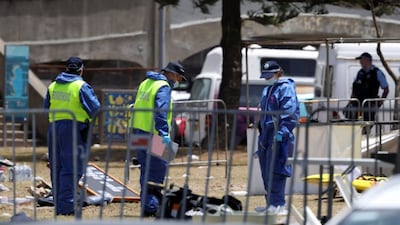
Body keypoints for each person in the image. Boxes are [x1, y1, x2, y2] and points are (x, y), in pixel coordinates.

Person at [43, 56, 101, 215]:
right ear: (81, 70)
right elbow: (95, 108)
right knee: (72, 166)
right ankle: (66, 206)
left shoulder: (53, 85)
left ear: (66, 68)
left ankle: (60, 202)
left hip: (54, 127)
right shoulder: (81, 86)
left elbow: (45, 106)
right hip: (74, 128)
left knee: (57, 166)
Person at [128, 62, 186, 217]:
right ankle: (151, 207)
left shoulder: (146, 83)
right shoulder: (163, 87)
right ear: (172, 74)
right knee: (157, 171)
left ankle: (147, 204)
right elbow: (161, 111)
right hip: (155, 135)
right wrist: (164, 133)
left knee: (145, 170)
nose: (178, 81)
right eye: (179, 77)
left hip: (139, 132)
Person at [257, 61, 299, 214]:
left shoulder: (285, 88)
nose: (267, 78)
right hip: (266, 137)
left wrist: (282, 133)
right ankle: (270, 204)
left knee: (277, 171)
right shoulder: (268, 89)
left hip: (280, 137)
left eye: (270, 75)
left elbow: (289, 113)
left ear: (278, 73)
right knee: (266, 171)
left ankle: (278, 204)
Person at [351, 52, 389, 132]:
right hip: (358, 104)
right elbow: (355, 86)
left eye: (361, 60)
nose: (360, 62)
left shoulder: (376, 72)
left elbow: (386, 89)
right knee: (356, 125)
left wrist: (380, 101)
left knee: (368, 124)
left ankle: (365, 135)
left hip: (369, 104)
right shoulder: (360, 72)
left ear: (367, 60)